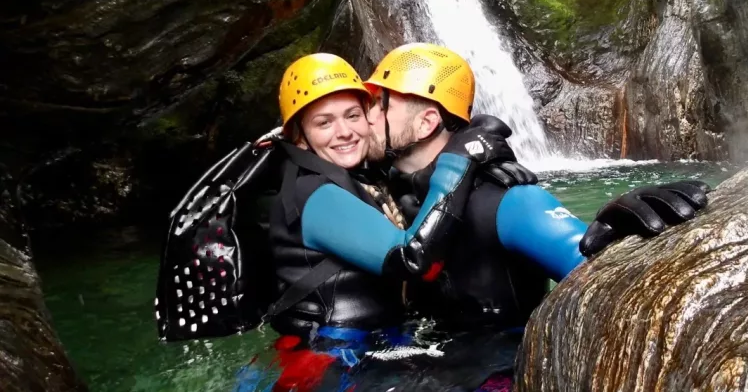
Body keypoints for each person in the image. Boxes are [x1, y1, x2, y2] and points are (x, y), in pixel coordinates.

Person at [362, 42, 711, 330]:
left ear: (426, 123)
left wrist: (620, 239)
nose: (367, 115)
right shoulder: (388, 189)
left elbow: (589, 262)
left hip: (499, 374)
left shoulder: (509, 200)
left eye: (380, 104)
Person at [253, 51, 520, 391]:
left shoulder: (361, 176)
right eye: (324, 122)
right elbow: (412, 258)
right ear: (300, 137)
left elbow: (417, 166)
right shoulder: (314, 193)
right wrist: (462, 158)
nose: (344, 132)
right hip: (329, 361)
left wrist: (486, 159)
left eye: (353, 115)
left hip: (371, 347)